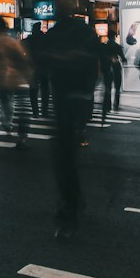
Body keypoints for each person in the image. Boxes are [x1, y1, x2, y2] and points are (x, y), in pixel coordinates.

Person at [43, 12, 101, 238]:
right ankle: (70, 206)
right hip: (75, 100)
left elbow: (47, 62)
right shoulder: (81, 33)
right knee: (65, 157)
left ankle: (69, 210)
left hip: (68, 101)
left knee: (64, 158)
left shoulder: (63, 33)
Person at [99, 32, 125, 120]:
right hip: (116, 69)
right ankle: (116, 106)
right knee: (117, 88)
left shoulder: (103, 47)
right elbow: (123, 58)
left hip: (107, 70)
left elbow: (101, 58)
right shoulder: (118, 47)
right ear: (115, 37)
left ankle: (107, 106)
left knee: (107, 88)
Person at [26, 21, 50, 117]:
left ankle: (35, 112)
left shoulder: (30, 39)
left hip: (32, 66)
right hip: (44, 66)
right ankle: (45, 111)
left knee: (33, 90)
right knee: (45, 90)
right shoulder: (45, 38)